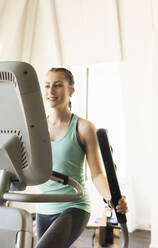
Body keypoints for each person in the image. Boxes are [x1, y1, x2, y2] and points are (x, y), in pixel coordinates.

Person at [36, 68, 128, 248]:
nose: (51, 91)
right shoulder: (36, 128)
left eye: (58, 85)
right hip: (43, 208)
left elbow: (96, 174)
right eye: (47, 86)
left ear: (71, 90)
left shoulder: (83, 127)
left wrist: (111, 197)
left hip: (73, 206)